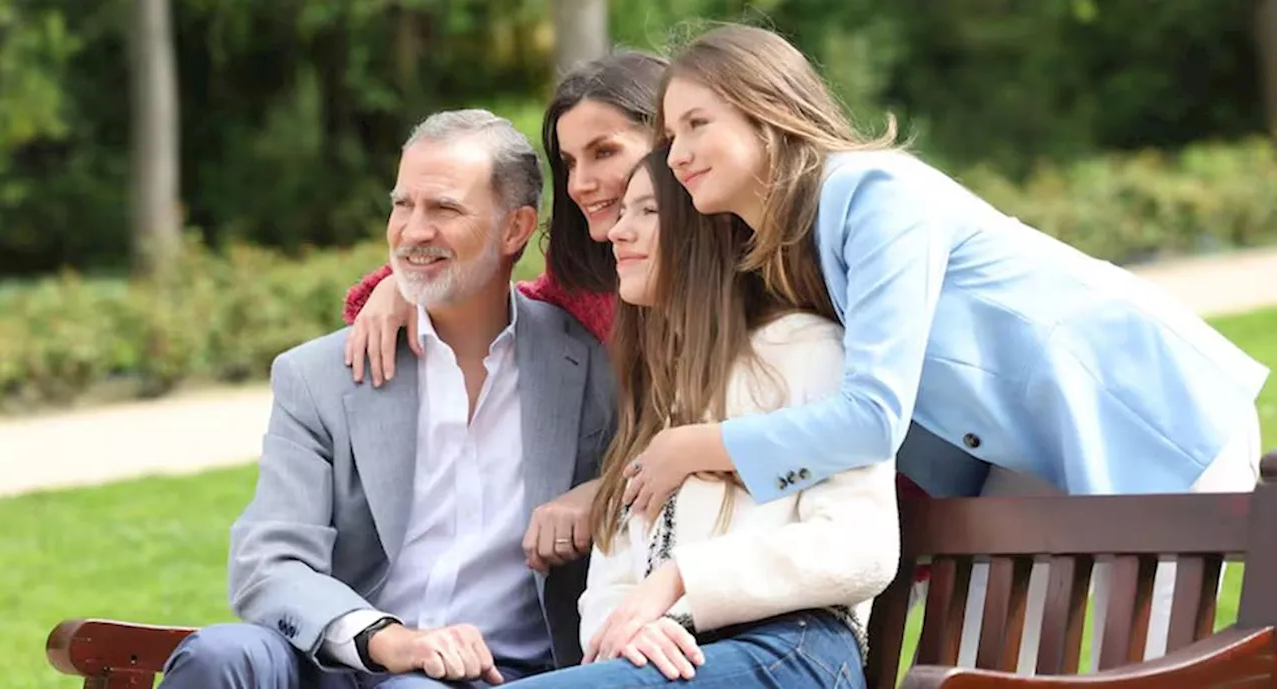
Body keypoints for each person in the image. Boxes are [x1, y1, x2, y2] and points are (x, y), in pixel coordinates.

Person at [622, 23, 1269, 668]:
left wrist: (699, 445)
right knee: (981, 667)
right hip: (1024, 456)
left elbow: (873, 416)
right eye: (671, 136)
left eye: (697, 123)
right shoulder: (794, 248)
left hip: (1145, 410)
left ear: (768, 109)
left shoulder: (868, 193)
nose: (677, 154)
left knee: (1145, 665)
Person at [337, 49, 932, 579]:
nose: (583, 183)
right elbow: (493, 306)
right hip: (669, 566)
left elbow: (820, 420)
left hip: (801, 536)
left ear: (672, 145)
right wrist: (402, 285)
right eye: (569, 162)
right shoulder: (598, 285)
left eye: (605, 152)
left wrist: (604, 492)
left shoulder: (765, 269)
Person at [158, 109, 616, 689]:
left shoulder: (591, 367)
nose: (412, 231)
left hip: (489, 673)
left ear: (516, 229)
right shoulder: (318, 376)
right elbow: (268, 563)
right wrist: (385, 639)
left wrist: (599, 494)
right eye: (403, 205)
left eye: (444, 209)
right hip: (336, 653)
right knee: (220, 656)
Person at [504, 147, 896, 688]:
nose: (619, 231)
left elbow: (862, 548)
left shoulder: (805, 349)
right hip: (670, 658)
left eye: (646, 211)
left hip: (790, 648)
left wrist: (682, 581)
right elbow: (611, 581)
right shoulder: (657, 391)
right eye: (622, 213)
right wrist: (627, 628)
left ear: (703, 229)